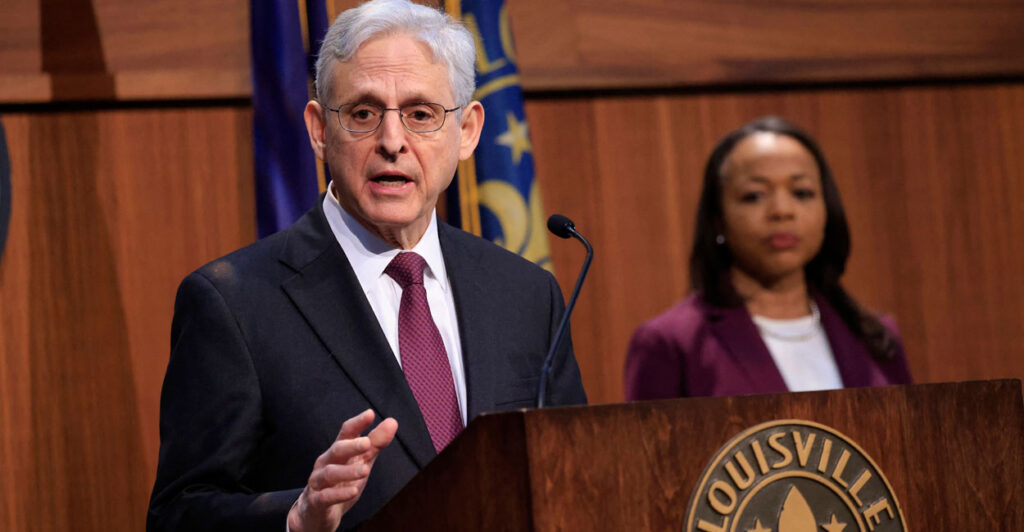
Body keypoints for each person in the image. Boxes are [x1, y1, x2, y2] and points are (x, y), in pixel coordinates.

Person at [147, 1, 587, 530]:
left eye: (421, 114)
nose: (392, 141)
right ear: (317, 128)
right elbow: (178, 514)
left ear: (467, 131)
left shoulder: (526, 295)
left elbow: (572, 473)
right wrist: (296, 517)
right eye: (363, 113)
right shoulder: (235, 304)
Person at [624, 116, 911, 400]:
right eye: (754, 195)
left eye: (802, 192)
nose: (782, 210)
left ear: (827, 210)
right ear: (717, 220)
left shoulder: (876, 336)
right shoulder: (670, 343)